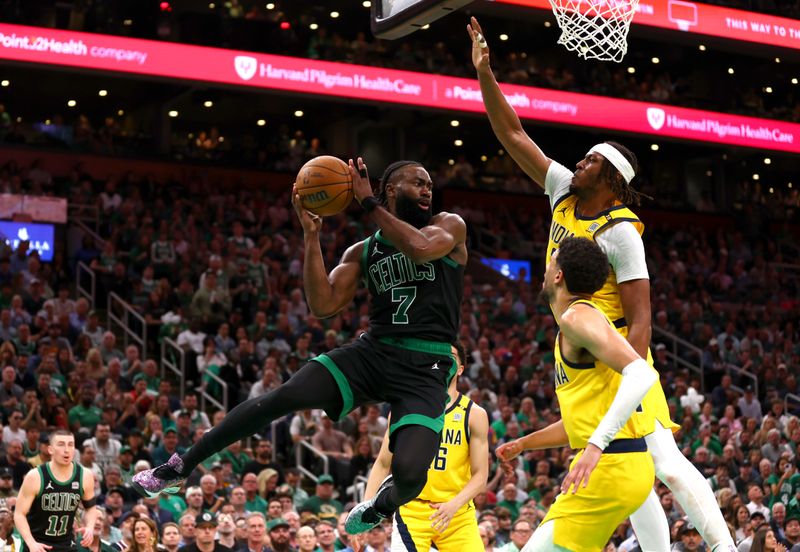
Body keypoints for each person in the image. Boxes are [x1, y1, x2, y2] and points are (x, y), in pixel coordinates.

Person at [467, 17, 737, 552]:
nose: (580, 162)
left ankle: (726, 548)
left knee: (665, 465)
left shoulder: (621, 235)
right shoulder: (563, 192)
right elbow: (513, 135)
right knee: (635, 476)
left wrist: (623, 379)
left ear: (611, 179)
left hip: (613, 349)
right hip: (583, 342)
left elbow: (641, 318)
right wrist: (484, 74)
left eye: (591, 160)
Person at [134, 156, 468, 537]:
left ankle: (380, 504)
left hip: (427, 365)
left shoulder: (449, 225)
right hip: (375, 352)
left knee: (411, 476)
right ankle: (180, 466)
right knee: (285, 395)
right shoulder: (362, 251)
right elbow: (323, 305)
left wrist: (368, 205)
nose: (428, 190)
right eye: (418, 183)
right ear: (391, 190)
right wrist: (311, 236)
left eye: (429, 184)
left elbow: (421, 249)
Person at [495, 237, 657, 551]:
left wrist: (596, 446)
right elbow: (580, 424)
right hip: (624, 464)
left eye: (551, 260)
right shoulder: (580, 321)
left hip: (610, 466)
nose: (546, 267)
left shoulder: (577, 318)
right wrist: (526, 443)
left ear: (558, 276)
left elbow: (641, 373)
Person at [364, 341, 489, 551]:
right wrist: (365, 512)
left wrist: (454, 505)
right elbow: (383, 463)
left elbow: (480, 476)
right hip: (412, 509)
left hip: (457, 513)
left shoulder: (474, 414)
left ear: (460, 369)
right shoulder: (405, 408)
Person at [14, 429, 99, 552]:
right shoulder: (35, 476)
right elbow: (19, 514)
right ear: (50, 450)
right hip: (37, 544)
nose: (66, 449)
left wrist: (90, 527)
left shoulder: (85, 475)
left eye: (70, 445)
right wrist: (31, 543)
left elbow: (90, 508)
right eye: (61, 444)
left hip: (67, 544)